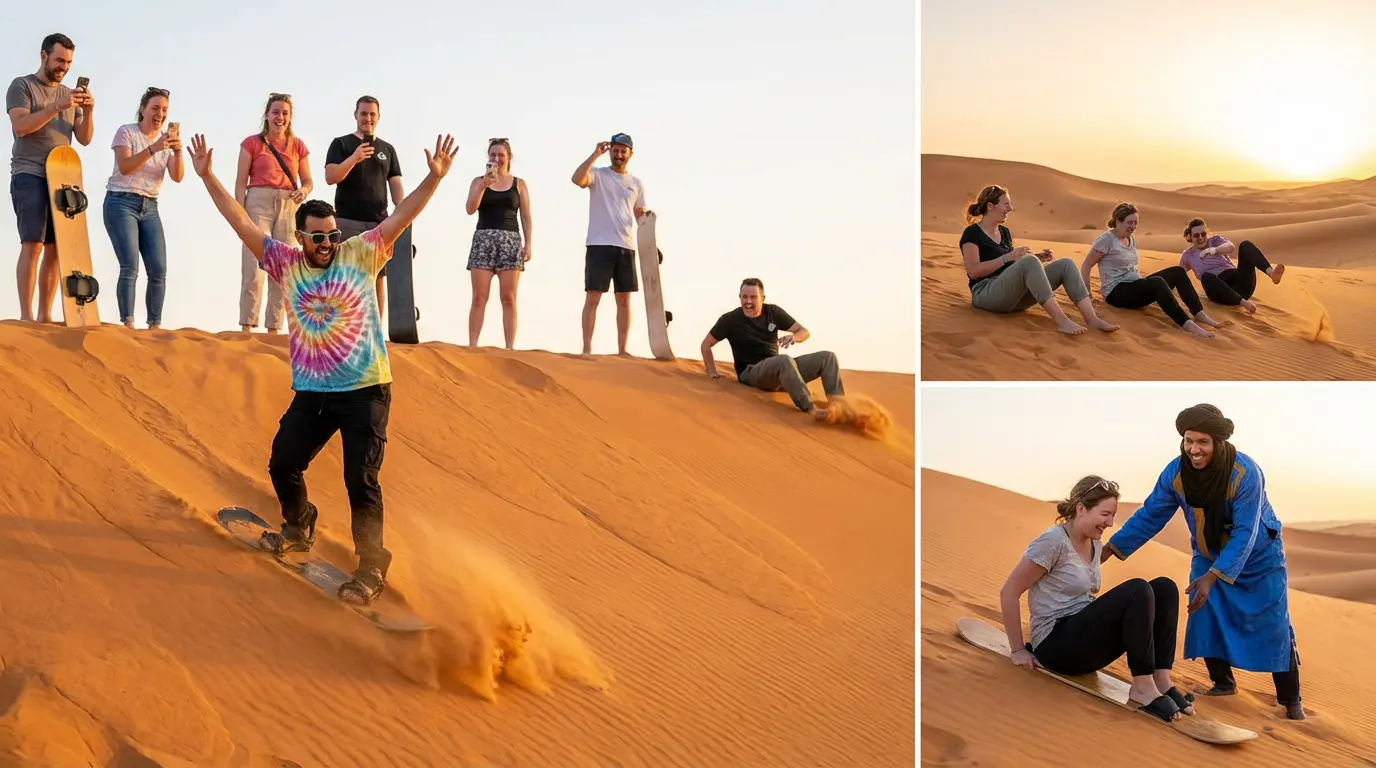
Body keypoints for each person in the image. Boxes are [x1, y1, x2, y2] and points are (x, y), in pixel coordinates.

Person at [186, 131, 460, 604]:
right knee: (283, 463)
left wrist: (433, 180)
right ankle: (298, 526)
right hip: (314, 392)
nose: (329, 243)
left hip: (366, 389)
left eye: (333, 235)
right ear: (302, 236)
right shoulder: (285, 262)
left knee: (361, 479)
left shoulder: (360, 253)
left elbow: (400, 216)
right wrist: (209, 176)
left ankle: (372, 568)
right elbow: (240, 223)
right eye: (319, 236)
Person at [1102, 404, 1304, 720]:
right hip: (1208, 552)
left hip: (1259, 557)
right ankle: (1223, 683)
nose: (1194, 449)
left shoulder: (1245, 474)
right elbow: (1151, 514)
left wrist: (1214, 576)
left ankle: (1292, 701)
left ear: (1218, 443)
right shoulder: (1176, 473)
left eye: (1202, 442)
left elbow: (1246, 531)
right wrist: (1109, 549)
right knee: (1203, 609)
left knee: (1273, 623)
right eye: (1188, 441)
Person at [999, 475, 1194, 723]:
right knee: (1137, 589)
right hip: (1056, 646)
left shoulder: (1094, 543)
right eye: (1105, 514)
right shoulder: (1052, 542)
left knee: (1164, 588)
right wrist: (1017, 650)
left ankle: (1160, 678)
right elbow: (1009, 592)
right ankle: (1142, 686)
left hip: (1085, 642)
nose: (1110, 523)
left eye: (1113, 515)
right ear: (1081, 509)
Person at [6, 32, 95, 323]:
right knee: (32, 243)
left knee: (57, 249)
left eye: (68, 62)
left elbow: (84, 138)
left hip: (62, 179)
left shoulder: (70, 95)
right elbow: (21, 126)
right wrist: (56, 107)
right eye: (59, 60)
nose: (64, 67)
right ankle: (26, 316)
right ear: (44, 55)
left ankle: (46, 315)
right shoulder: (22, 86)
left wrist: (88, 111)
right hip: (29, 172)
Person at [959, 185, 1118, 335]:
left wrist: (1037, 258)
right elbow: (974, 272)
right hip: (985, 294)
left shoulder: (1004, 232)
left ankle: (1092, 319)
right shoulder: (973, 233)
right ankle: (1062, 321)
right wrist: (1007, 257)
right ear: (990, 206)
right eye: (1006, 204)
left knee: (1066, 264)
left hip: (1011, 297)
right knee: (1028, 261)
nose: (1010, 209)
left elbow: (1012, 268)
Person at [701, 277, 843, 417]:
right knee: (784, 361)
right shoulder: (729, 319)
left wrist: (794, 337)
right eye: (744, 297)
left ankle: (839, 408)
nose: (748, 301)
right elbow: (706, 345)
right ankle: (810, 409)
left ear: (762, 297)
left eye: (753, 297)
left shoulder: (773, 312)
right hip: (751, 372)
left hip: (779, 371)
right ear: (739, 297)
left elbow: (803, 332)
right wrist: (712, 372)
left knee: (828, 357)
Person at [102, 86, 183, 329]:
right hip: (120, 201)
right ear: (143, 109)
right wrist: (153, 148)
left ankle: (154, 326)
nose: (160, 114)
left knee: (158, 268)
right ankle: (128, 323)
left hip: (150, 205)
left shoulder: (165, 142)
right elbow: (125, 166)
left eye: (165, 109)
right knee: (130, 266)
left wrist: (177, 152)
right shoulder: (126, 132)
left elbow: (177, 177)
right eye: (155, 108)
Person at [1081, 204, 1223, 339]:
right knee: (1157, 283)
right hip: (1116, 293)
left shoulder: (1130, 238)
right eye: (1130, 222)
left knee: (1178, 271)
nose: (1133, 226)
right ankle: (1188, 324)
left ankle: (1198, 313)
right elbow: (1086, 266)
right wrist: (1088, 296)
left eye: (1135, 223)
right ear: (1118, 221)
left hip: (1135, 285)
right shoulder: (1106, 240)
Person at [235, 92, 313, 334]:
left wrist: (304, 191)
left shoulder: (298, 145)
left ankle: (274, 329)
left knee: (284, 268)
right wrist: (239, 215)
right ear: (267, 115)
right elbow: (240, 181)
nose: (280, 117)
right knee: (254, 265)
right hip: (258, 201)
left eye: (285, 113)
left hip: (289, 204)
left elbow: (308, 180)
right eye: (276, 112)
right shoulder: (252, 143)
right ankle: (247, 325)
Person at [323, 95, 403, 318]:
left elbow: (396, 185)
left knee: (377, 276)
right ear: (356, 115)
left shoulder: (387, 149)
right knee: (345, 275)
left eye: (372, 114)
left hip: (379, 223)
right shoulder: (341, 144)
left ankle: (374, 327)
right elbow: (330, 177)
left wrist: (403, 214)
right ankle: (343, 326)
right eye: (363, 113)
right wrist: (353, 159)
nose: (368, 118)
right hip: (347, 220)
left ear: (378, 117)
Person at [570, 133, 649, 356]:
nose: (619, 154)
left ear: (630, 154)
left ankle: (622, 349)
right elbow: (577, 180)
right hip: (599, 244)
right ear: (610, 151)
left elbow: (640, 214)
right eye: (615, 150)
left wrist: (651, 243)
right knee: (593, 296)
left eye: (623, 151)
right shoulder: (597, 175)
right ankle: (587, 348)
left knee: (624, 299)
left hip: (626, 245)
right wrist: (595, 155)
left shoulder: (636, 183)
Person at [464, 138, 532, 349]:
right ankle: (473, 345)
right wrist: (484, 185)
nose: (496, 159)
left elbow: (526, 216)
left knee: (508, 297)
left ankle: (509, 346)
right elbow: (470, 208)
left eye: (500, 155)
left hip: (510, 240)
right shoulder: (478, 181)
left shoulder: (519, 184)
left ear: (508, 158)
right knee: (479, 296)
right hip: (484, 238)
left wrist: (528, 244)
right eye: (492, 155)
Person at [1178, 218, 1285, 315]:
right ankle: (1243, 303)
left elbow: (1230, 247)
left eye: (1203, 234)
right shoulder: (1188, 255)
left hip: (1239, 283)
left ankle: (1271, 273)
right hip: (1218, 292)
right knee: (1206, 277)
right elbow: (1179, 274)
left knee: (1245, 245)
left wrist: (1215, 250)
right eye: (1196, 235)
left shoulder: (1215, 241)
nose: (1201, 238)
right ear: (1190, 237)